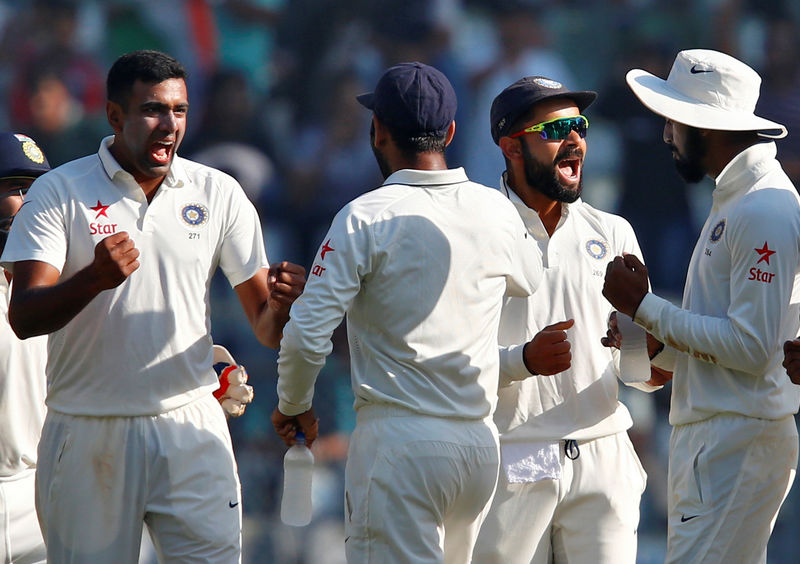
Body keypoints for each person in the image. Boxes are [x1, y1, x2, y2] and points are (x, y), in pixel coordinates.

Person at [0, 49, 306, 563]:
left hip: (189, 425)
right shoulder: (58, 191)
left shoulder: (218, 193)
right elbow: (25, 315)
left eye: (179, 110)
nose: (169, 125)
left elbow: (267, 328)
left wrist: (283, 305)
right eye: (152, 110)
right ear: (115, 116)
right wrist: (93, 279)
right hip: (87, 429)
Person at [270, 61, 543, 564]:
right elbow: (530, 281)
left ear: (377, 131)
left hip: (400, 447)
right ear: (452, 132)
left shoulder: (364, 216)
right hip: (478, 449)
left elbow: (308, 335)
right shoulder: (496, 211)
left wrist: (293, 405)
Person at [603, 48, 800, 563]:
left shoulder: (764, 205)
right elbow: (733, 334)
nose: (666, 134)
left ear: (705, 125)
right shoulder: (738, 198)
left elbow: (753, 349)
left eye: (673, 120)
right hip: (720, 436)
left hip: (736, 438)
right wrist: (659, 348)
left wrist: (645, 307)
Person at [470, 76, 665, 564]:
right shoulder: (473, 233)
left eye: (579, 125)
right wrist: (522, 361)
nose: (575, 137)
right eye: (556, 128)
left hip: (603, 453)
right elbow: (448, 360)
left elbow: (641, 376)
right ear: (511, 147)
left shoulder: (613, 230)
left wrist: (646, 350)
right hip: (513, 455)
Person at [0, 132, 50, 564]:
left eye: (37, 190)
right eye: (16, 188)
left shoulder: (62, 285)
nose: (29, 203)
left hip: (43, 496)